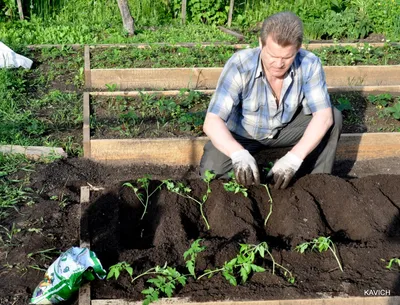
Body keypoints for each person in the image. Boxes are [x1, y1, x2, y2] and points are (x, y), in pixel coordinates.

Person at [199, 11, 342, 189]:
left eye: (287, 57)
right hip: (244, 134)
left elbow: (323, 116)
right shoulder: (241, 65)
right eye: (273, 56)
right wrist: (237, 153)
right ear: (261, 43)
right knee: (212, 173)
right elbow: (212, 121)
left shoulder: (309, 63)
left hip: (285, 130)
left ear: (298, 49)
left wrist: (294, 158)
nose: (279, 64)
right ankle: (249, 159)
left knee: (333, 117)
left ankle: (314, 182)